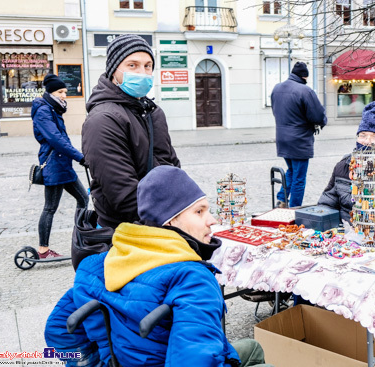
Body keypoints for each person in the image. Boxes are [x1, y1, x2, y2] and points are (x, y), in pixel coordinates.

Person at [44, 166, 273, 367]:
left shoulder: (98, 265)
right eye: (199, 211)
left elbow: (58, 329)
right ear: (171, 221)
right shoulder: (192, 277)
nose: (211, 219)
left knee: (253, 347)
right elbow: (195, 360)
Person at [82, 34, 181, 229]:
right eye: (132, 65)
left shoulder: (153, 112)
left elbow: (172, 166)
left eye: (147, 66)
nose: (142, 73)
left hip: (162, 219)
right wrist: (168, 221)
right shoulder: (102, 120)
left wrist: (184, 207)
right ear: (113, 71)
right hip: (124, 230)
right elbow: (123, 193)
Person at [32, 74, 88, 259]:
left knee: (83, 199)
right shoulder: (43, 111)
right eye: (60, 92)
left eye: (65, 91)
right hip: (54, 165)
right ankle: (43, 250)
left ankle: (81, 238)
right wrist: (80, 157)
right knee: (50, 208)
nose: (64, 95)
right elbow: (56, 140)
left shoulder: (53, 109)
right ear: (50, 92)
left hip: (63, 164)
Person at [271, 61, 327, 208]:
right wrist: (322, 122)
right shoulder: (305, 91)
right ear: (304, 77)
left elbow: (275, 111)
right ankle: (295, 208)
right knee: (299, 177)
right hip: (299, 140)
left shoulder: (277, 89)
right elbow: (317, 115)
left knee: (291, 171)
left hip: (282, 138)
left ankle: (281, 199)